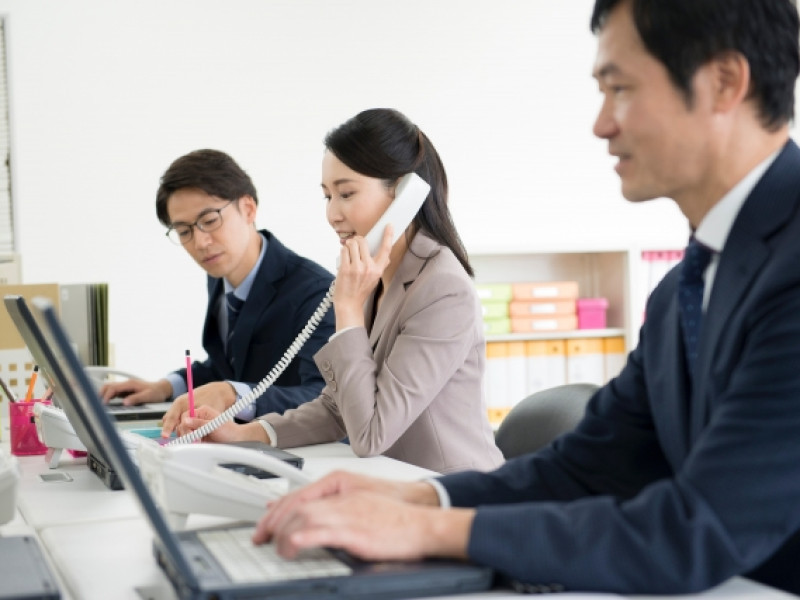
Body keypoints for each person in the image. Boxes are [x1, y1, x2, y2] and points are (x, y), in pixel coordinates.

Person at [244, 0, 800, 595]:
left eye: (621, 89)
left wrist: (424, 529)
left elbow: (694, 531)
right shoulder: (681, 291)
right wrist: (418, 496)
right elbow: (585, 467)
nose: (601, 124)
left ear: (724, 82)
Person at [164, 108, 504, 474]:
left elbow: (371, 433)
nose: (332, 214)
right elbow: (337, 407)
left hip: (453, 494)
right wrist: (248, 434)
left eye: (346, 194)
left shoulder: (442, 288)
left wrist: (348, 309)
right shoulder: (378, 273)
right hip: (392, 485)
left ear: (404, 195)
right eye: (328, 196)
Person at [100, 149, 335, 419]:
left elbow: (324, 397)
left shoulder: (317, 292)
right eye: (184, 231)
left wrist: (232, 394)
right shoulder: (220, 276)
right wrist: (166, 386)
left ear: (248, 208)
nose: (200, 243)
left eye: (210, 221)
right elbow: (231, 367)